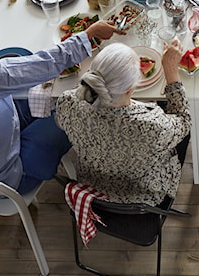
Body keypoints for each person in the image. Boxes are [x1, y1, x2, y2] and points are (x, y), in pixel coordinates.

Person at [0, 21, 123, 197]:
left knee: (41, 98)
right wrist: (88, 35)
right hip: (10, 177)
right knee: (78, 111)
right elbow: (44, 64)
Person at [55, 41, 191, 207]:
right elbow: (184, 120)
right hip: (141, 195)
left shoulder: (67, 102)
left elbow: (66, 121)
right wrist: (170, 70)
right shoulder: (152, 127)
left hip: (93, 186)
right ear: (131, 89)